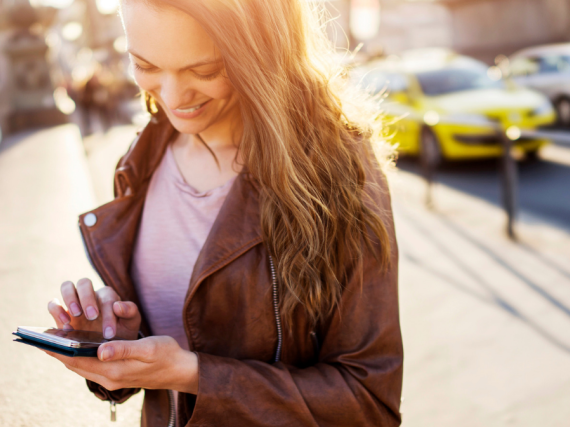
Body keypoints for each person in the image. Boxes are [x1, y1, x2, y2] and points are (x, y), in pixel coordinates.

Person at [45, 0, 403, 425]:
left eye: (205, 71)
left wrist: (196, 375)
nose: (174, 98)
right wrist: (118, 342)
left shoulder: (340, 170)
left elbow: (368, 402)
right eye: (146, 65)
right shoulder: (141, 159)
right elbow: (164, 353)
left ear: (263, 50)